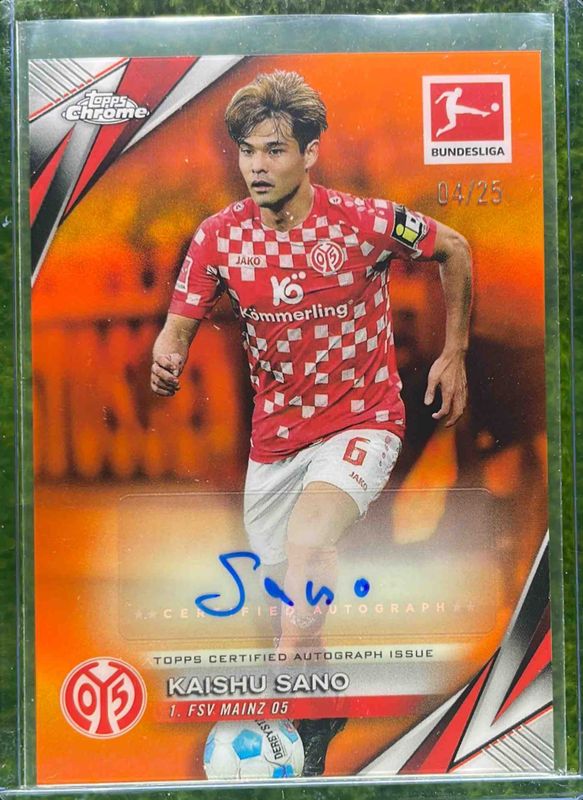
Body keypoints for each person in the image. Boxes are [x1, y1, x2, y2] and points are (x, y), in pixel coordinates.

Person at [151, 70, 472, 777]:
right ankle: (318, 713)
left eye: (274, 150)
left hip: (364, 420)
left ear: (309, 153)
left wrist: (453, 354)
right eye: (247, 152)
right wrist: (167, 357)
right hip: (276, 443)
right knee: (291, 603)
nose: (257, 166)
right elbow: (178, 325)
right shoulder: (218, 237)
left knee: (307, 543)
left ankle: (268, 711)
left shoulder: (363, 222)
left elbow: (453, 247)